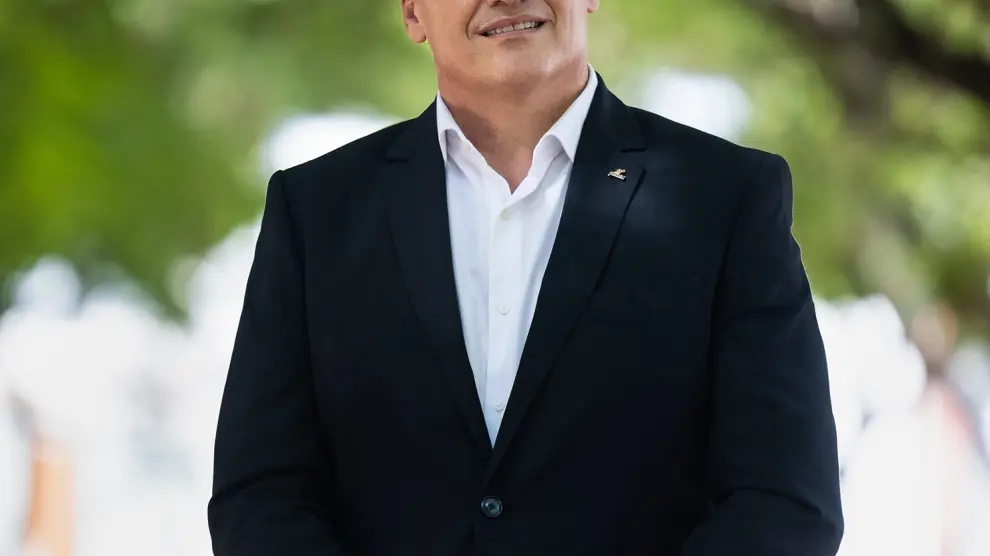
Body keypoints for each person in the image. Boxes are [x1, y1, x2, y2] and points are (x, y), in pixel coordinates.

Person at [207, 0, 844, 555]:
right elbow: (261, 496)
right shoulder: (317, 211)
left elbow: (785, 499)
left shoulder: (727, 197)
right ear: (411, 11)